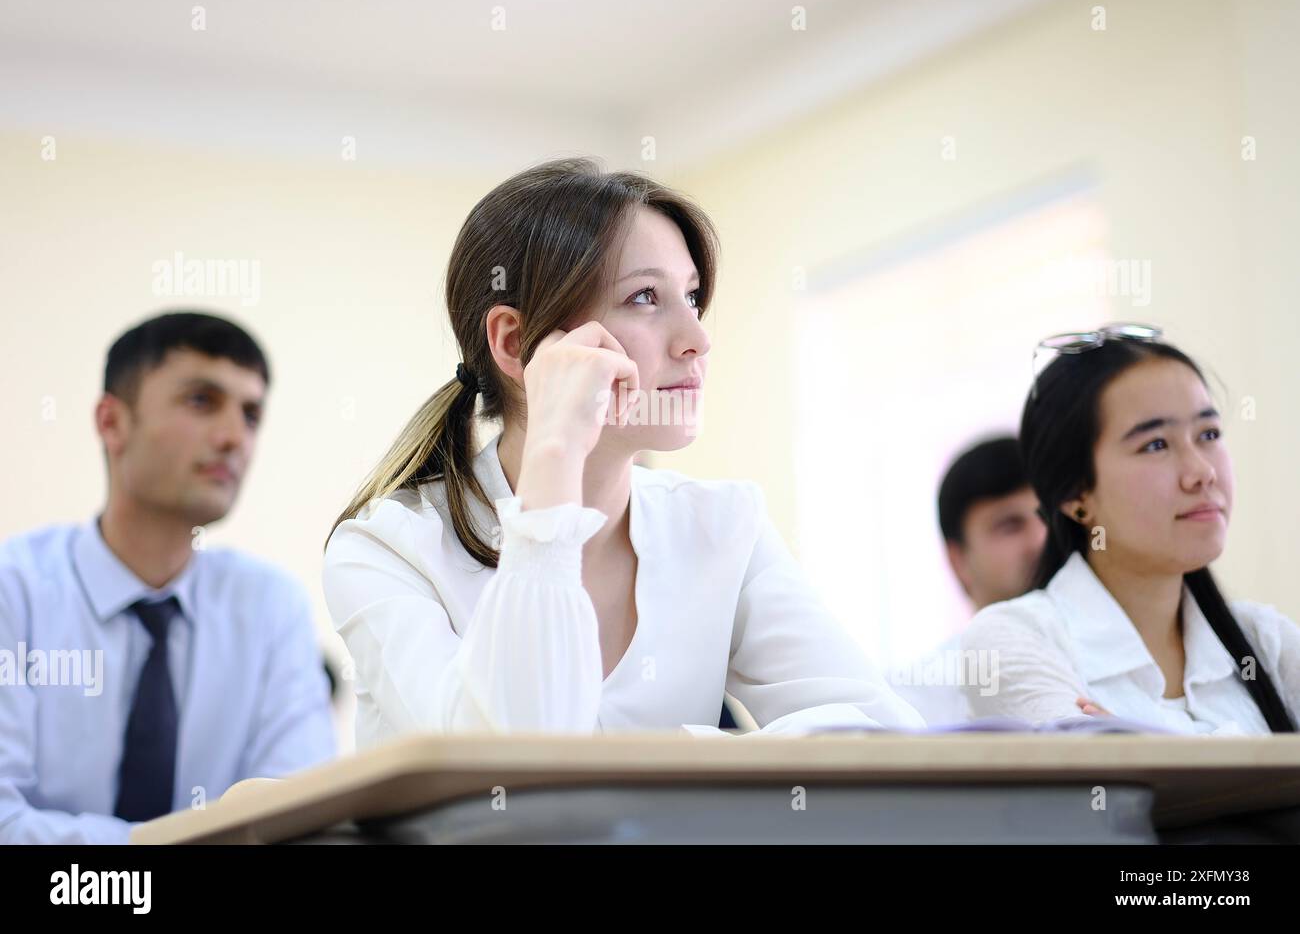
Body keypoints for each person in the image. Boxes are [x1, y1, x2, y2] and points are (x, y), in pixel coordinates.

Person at [322, 157, 923, 746]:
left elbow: (878, 734)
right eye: (643, 298)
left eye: (691, 297)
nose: (697, 340)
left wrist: (683, 755)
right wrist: (554, 456)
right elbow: (513, 765)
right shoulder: (386, 549)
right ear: (514, 343)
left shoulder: (722, 525)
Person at [0, 312, 336, 844]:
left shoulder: (271, 608)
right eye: (202, 401)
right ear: (112, 422)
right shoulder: (12, 591)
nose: (233, 437)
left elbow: (297, 819)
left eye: (251, 415)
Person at [958, 324, 1298, 733]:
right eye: (1155, 444)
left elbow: (1143, 774)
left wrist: (1146, 747)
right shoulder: (1014, 640)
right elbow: (1095, 782)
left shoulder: (1267, 642)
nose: (1202, 472)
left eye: (1208, 434)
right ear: (1075, 494)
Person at [892, 436, 1045, 724]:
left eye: (1048, 518)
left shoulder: (1133, 673)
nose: (1040, 541)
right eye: (1010, 526)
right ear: (958, 559)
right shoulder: (911, 705)